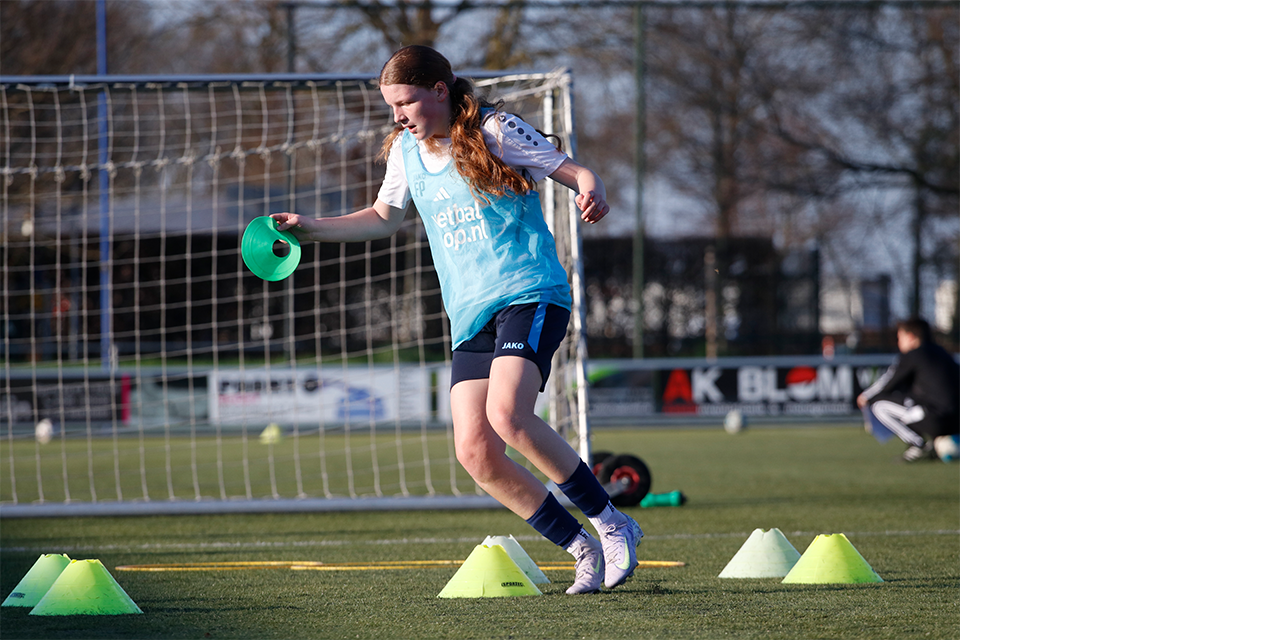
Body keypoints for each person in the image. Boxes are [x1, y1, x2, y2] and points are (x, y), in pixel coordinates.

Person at [269, 45, 641, 594]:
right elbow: (381, 219)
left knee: (508, 417)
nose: (398, 114)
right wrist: (311, 227)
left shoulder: (495, 130)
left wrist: (591, 187)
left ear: (439, 91)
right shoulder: (405, 152)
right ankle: (580, 548)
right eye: (392, 105)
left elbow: (574, 170)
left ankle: (613, 524)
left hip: (529, 294)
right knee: (475, 451)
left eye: (407, 101)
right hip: (470, 315)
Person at [857, 317, 960, 462]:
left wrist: (865, 397)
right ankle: (934, 445)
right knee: (912, 400)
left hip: (937, 419)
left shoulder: (913, 355)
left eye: (900, 337)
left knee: (879, 405)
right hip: (958, 422)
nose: (899, 342)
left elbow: (888, 383)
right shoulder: (945, 354)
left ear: (911, 337)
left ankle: (918, 445)